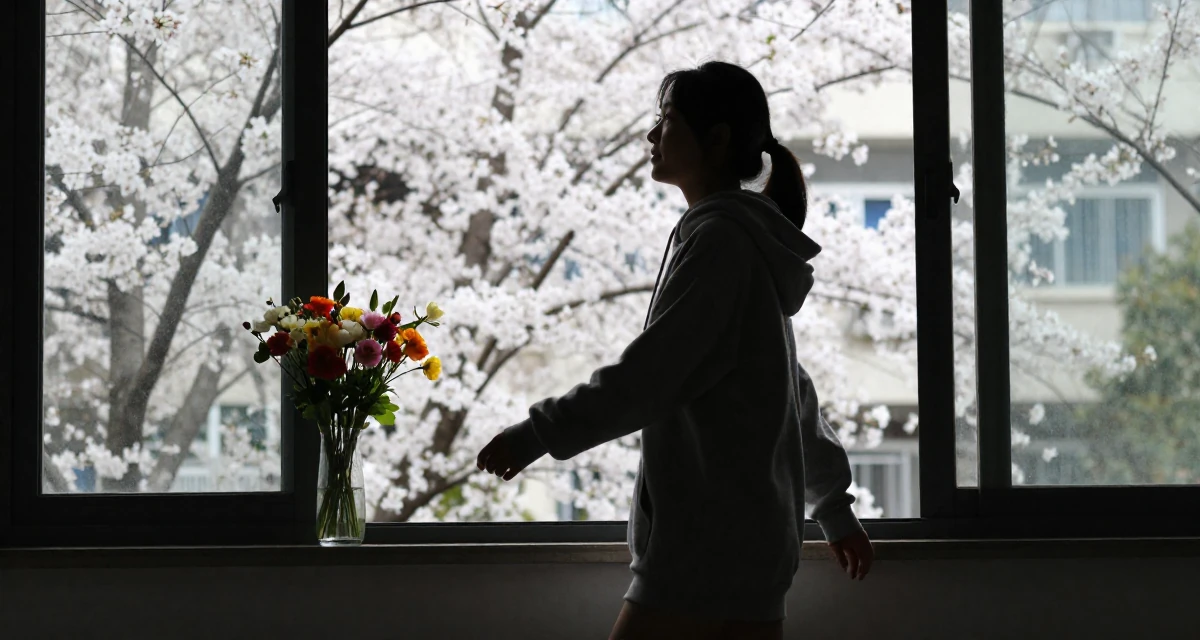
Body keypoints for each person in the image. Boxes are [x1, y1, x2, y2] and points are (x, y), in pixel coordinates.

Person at [476, 60, 874, 640]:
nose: (650, 136)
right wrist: (833, 507)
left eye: (666, 122)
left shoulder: (721, 243)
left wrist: (537, 433)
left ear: (716, 140)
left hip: (706, 553)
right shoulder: (737, 241)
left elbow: (647, 376)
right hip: (741, 550)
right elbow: (790, 387)